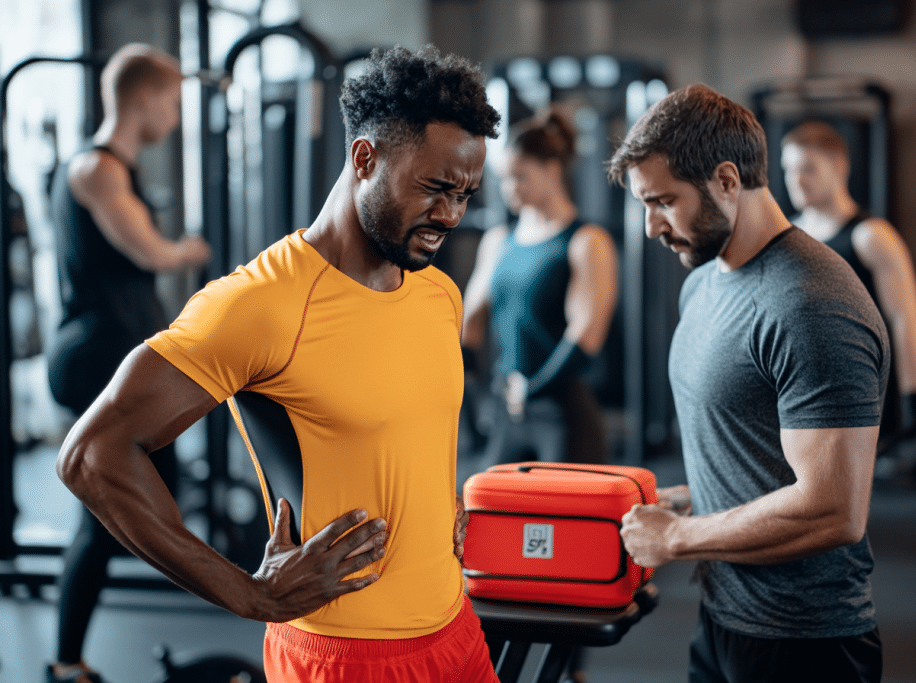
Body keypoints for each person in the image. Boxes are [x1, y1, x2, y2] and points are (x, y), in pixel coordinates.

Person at [54, 45, 501, 682]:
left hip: (456, 631)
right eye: (435, 188)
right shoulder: (261, 304)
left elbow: (406, 431)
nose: (452, 215)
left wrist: (438, 506)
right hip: (345, 656)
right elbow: (93, 455)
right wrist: (248, 594)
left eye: (465, 194)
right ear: (365, 158)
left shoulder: (438, 293)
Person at [609, 84, 889, 683]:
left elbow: (835, 509)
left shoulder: (811, 303)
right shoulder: (703, 284)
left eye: (663, 201)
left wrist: (681, 537)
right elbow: (753, 444)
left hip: (805, 642)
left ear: (728, 180)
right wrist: (690, 499)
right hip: (723, 620)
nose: (652, 226)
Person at [46, 44, 211, 683]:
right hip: (92, 358)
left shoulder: (117, 168)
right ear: (143, 100)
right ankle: (65, 664)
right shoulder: (96, 169)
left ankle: (68, 661)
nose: (173, 117)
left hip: (120, 356)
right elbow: (147, 251)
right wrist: (187, 248)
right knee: (107, 509)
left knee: (139, 499)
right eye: (170, 104)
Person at [461, 108, 618, 470]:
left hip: (561, 414)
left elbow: (587, 336)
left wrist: (532, 389)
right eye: (504, 179)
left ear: (552, 170)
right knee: (491, 517)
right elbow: (470, 319)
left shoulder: (586, 242)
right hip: (506, 411)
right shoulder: (499, 240)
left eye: (520, 177)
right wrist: (466, 390)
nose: (509, 189)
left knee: (564, 526)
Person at [781, 119, 916, 444]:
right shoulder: (786, 238)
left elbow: (906, 319)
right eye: (789, 169)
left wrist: (915, 401)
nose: (797, 180)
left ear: (839, 166)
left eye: (807, 168)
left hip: (861, 397)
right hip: (804, 396)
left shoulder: (871, 236)